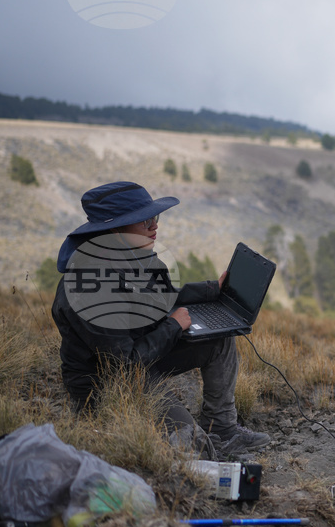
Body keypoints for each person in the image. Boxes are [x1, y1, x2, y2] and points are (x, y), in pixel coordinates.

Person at [51, 181, 270, 458]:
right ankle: (211, 448)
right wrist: (173, 326)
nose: (154, 225)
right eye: (144, 221)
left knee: (219, 341)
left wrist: (211, 289)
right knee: (194, 448)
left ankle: (223, 429)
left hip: (141, 357)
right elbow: (125, 364)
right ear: (115, 229)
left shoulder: (134, 254)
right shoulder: (88, 286)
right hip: (107, 382)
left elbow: (163, 296)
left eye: (154, 217)